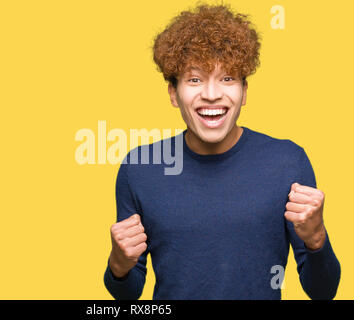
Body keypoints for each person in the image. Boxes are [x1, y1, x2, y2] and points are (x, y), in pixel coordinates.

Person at [103, 2, 341, 300]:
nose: (212, 94)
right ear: (173, 94)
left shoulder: (288, 162)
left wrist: (317, 239)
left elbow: (323, 292)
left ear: (244, 92)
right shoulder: (139, 168)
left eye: (227, 78)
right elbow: (127, 295)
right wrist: (119, 264)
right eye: (194, 79)